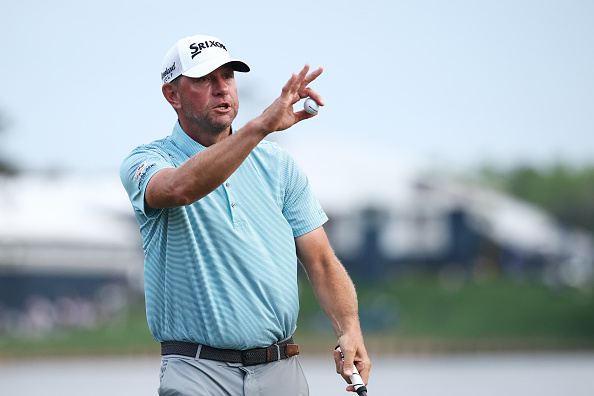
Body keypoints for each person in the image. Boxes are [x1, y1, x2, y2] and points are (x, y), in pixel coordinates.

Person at [120, 34, 370, 396]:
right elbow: (179, 188)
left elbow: (321, 262)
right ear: (172, 95)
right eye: (205, 79)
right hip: (197, 370)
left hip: (281, 368)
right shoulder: (147, 161)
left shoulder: (279, 165)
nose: (222, 89)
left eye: (228, 77)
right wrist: (261, 126)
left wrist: (350, 328)